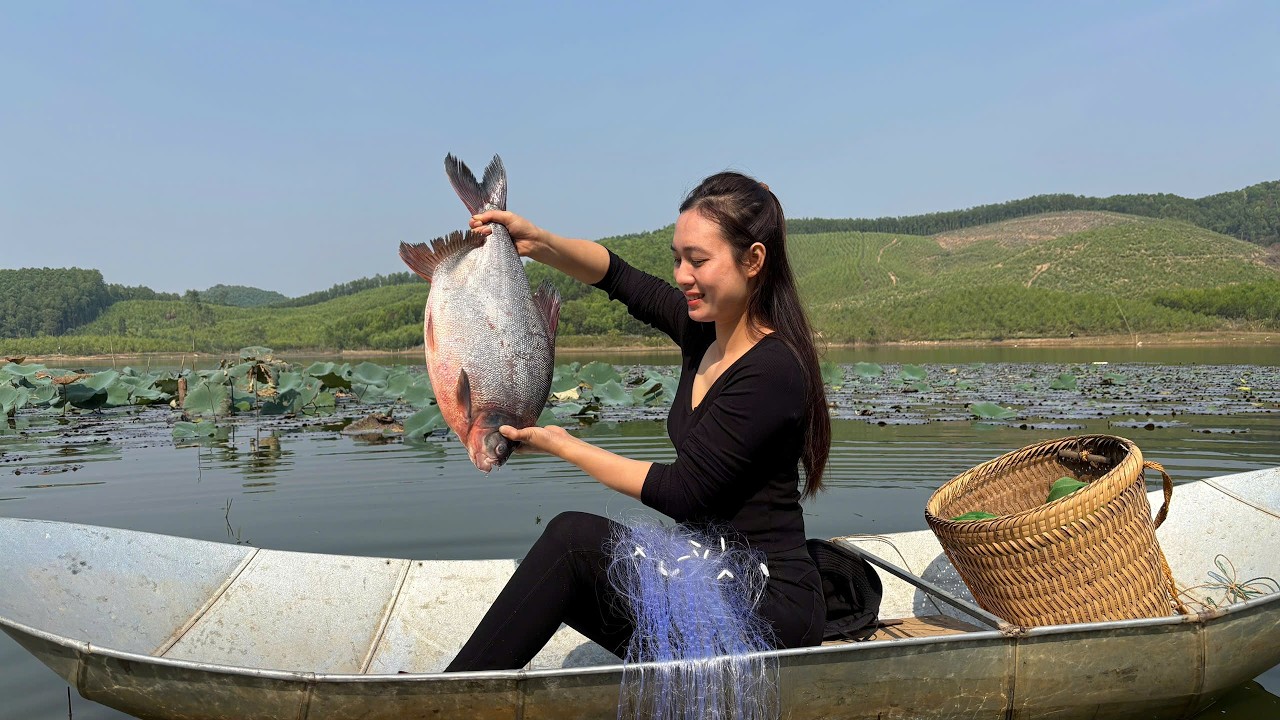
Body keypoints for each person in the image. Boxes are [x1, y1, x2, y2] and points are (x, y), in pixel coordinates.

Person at [445, 171, 830, 672]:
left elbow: (683, 492)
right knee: (570, 565)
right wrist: (539, 242)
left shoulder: (773, 368)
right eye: (677, 258)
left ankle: (449, 693)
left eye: (698, 260)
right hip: (705, 571)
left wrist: (566, 446)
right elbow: (620, 278)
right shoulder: (704, 332)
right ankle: (461, 687)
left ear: (753, 260)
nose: (682, 276)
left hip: (766, 603)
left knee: (570, 542)